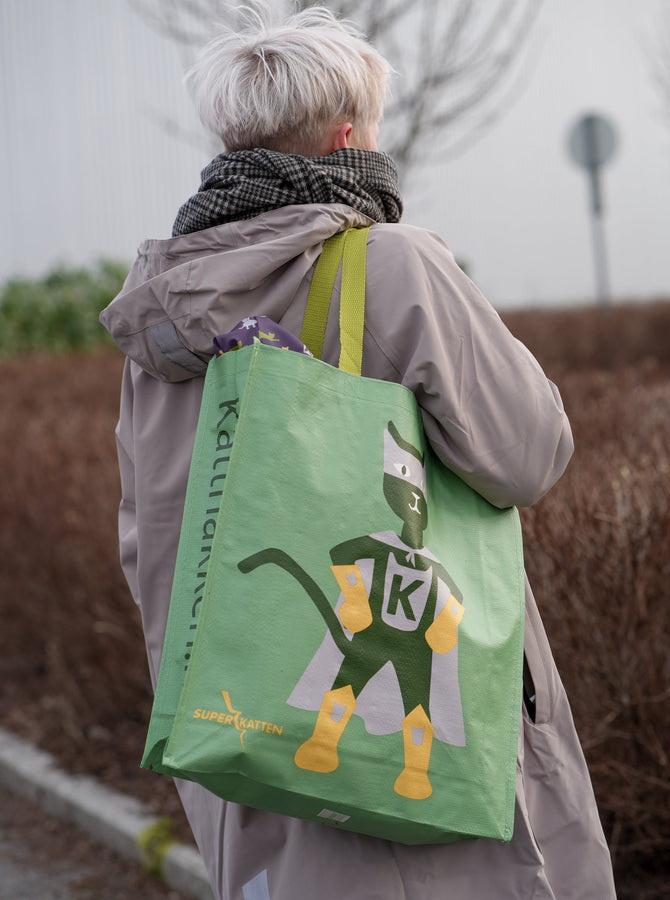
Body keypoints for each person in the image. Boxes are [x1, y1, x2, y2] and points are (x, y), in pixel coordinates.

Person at [100, 6, 615, 899]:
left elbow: (148, 544)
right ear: (349, 136)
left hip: (245, 739)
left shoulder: (163, 319)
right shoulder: (391, 264)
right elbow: (530, 453)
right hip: (413, 776)